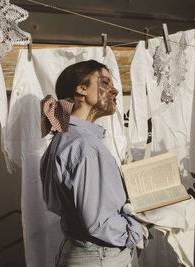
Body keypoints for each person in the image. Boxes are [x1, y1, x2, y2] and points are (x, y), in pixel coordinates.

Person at [40, 60, 143, 267]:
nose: (114, 90)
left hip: (83, 252)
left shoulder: (66, 138)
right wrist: (136, 230)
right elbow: (98, 222)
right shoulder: (84, 146)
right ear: (82, 89)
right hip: (99, 256)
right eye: (105, 83)